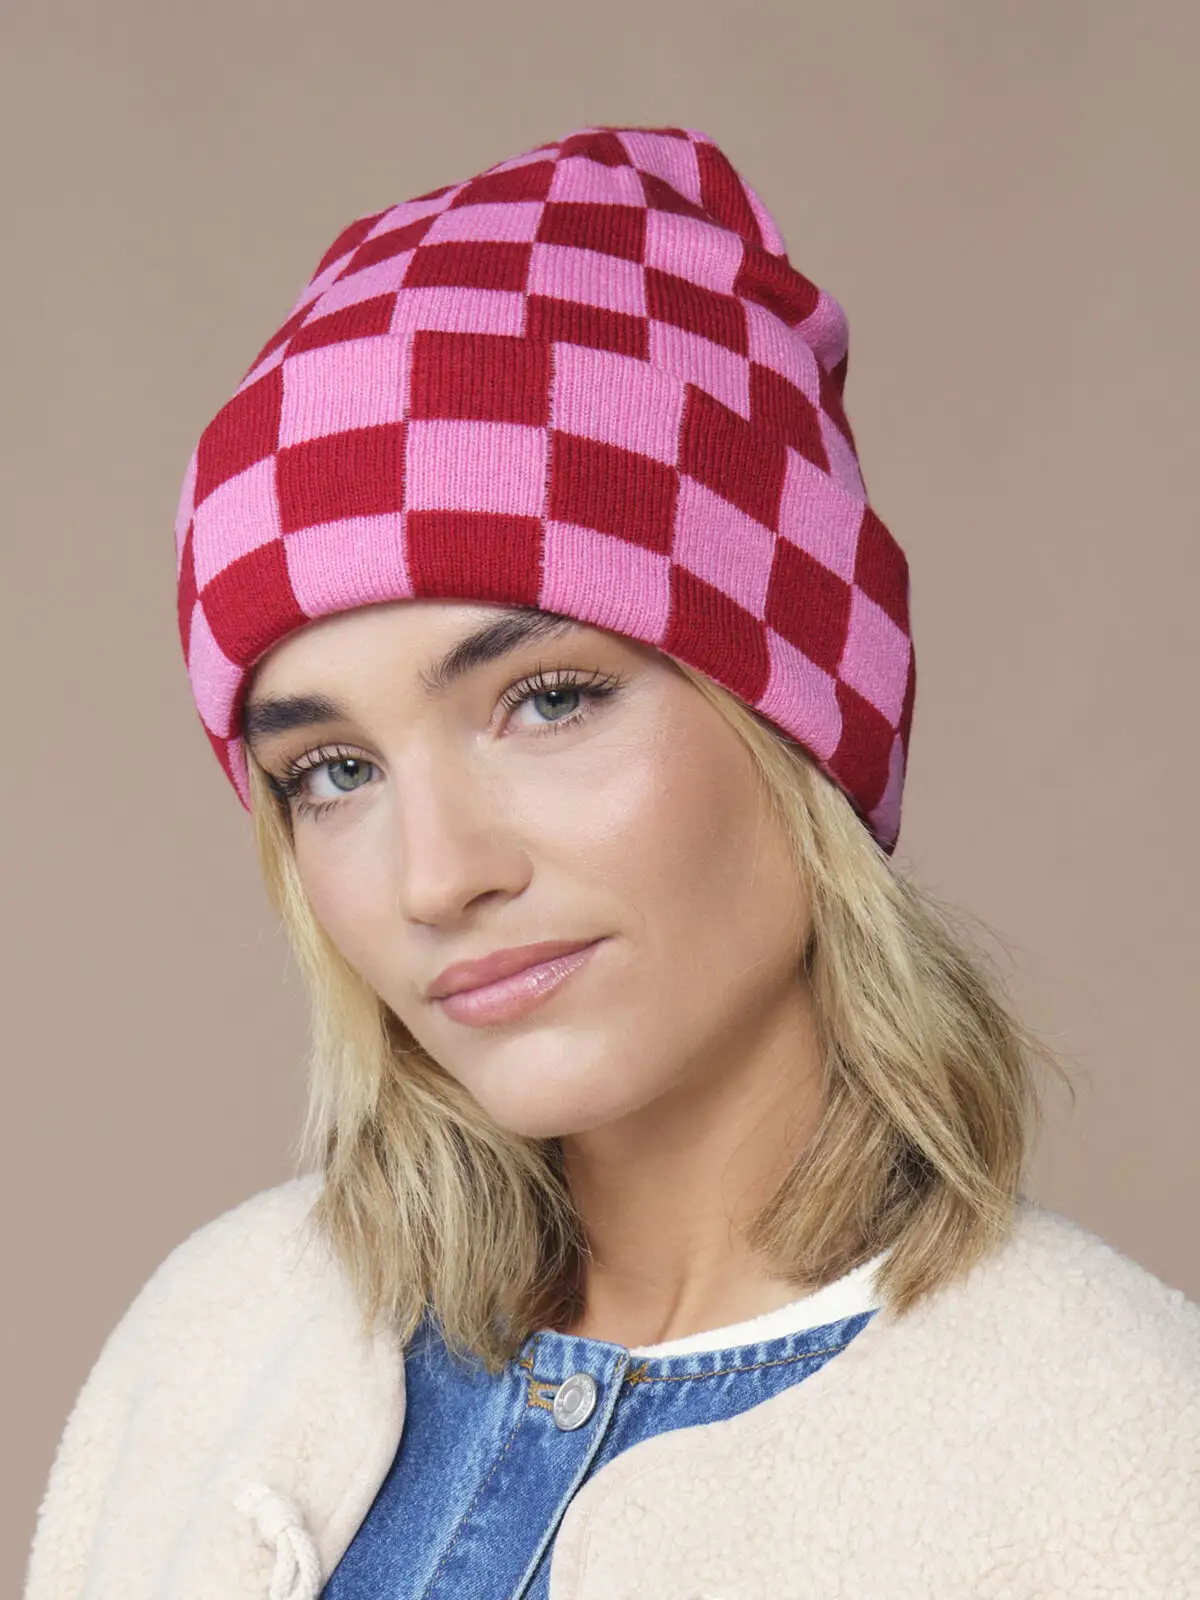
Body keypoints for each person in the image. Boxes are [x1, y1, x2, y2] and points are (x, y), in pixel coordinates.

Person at [23, 124, 1199, 1600]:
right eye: (333, 771)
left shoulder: (1119, 1460)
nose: (436, 877)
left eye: (550, 700)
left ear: (796, 722)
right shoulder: (217, 1344)